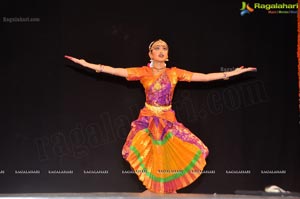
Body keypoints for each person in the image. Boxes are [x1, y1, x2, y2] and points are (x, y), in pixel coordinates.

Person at [64, 39, 257, 194]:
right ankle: (154, 188)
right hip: (148, 118)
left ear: (168, 54)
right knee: (144, 152)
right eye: (157, 48)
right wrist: (86, 64)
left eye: (164, 48)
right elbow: (116, 71)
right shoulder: (143, 72)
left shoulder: (175, 73)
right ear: (150, 54)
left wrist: (231, 73)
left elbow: (205, 77)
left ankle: (168, 188)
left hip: (167, 118)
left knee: (192, 149)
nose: (161, 51)